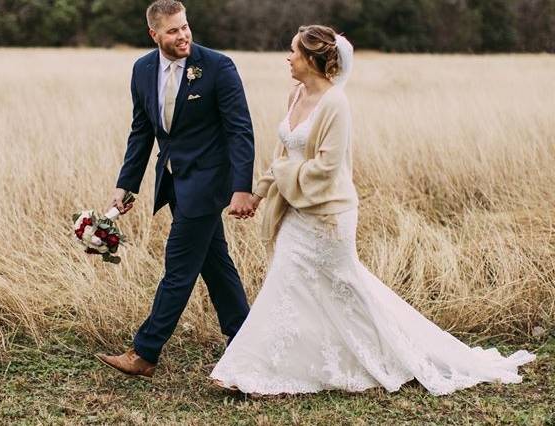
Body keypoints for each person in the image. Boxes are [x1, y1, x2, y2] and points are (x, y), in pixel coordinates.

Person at [209, 25, 536, 396]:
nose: (288, 57)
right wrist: (259, 193)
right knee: (290, 284)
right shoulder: (295, 94)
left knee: (345, 289)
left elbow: (326, 169)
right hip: (294, 210)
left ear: (314, 61)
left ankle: (266, 368)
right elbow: (284, 155)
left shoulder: (335, 104)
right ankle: (259, 368)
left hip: (327, 217)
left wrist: (281, 177)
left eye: (294, 52)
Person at [96, 0, 256, 378]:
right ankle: (246, 340)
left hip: (209, 183)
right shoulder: (142, 69)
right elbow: (142, 131)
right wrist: (125, 185)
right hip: (174, 181)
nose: (183, 35)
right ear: (154, 34)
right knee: (216, 265)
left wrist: (241, 188)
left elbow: (240, 130)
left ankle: (145, 352)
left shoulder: (218, 66)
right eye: (172, 30)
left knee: (179, 268)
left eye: (185, 27)